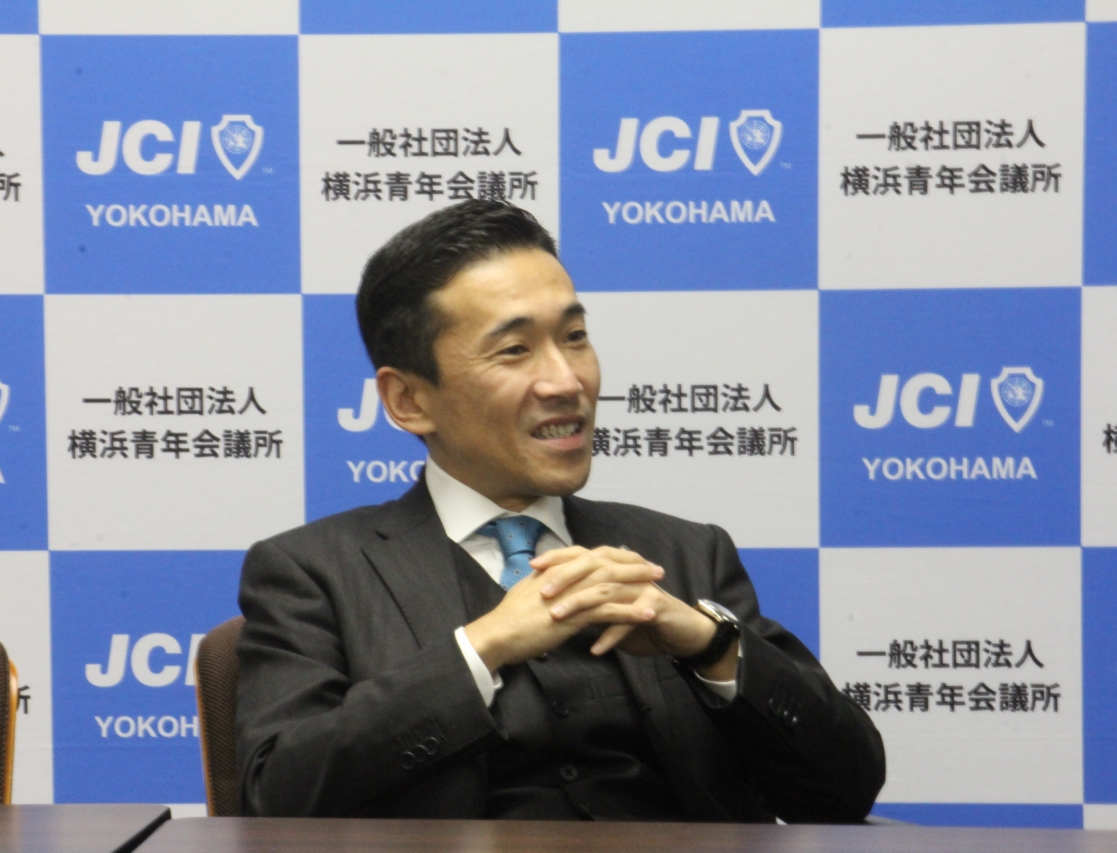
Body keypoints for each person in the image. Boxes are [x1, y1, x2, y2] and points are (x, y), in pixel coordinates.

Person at [235, 200, 885, 821]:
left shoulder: (685, 554)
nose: (567, 381)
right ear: (409, 400)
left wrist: (707, 643)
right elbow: (276, 797)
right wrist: (483, 647)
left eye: (575, 337)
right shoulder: (313, 572)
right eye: (514, 350)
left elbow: (845, 787)